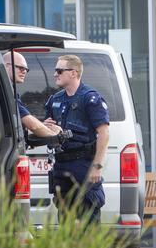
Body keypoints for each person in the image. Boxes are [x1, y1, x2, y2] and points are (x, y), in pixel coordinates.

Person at [42, 55, 109, 223]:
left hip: (83, 165)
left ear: (73, 73)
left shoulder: (89, 98)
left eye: (59, 70)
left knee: (88, 215)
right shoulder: (55, 99)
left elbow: (104, 133)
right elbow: (47, 132)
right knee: (65, 218)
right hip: (61, 165)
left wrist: (97, 166)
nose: (55, 74)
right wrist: (46, 127)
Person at [3, 51, 61, 137]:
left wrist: (41, 126)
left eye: (26, 69)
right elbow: (33, 126)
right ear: (6, 66)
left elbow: (20, 124)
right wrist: (55, 135)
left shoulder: (6, 90)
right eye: (21, 68)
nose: (24, 72)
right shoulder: (4, 92)